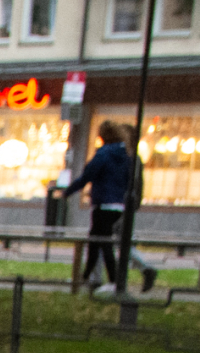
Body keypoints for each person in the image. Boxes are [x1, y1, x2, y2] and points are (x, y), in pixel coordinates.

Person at [61, 122, 158, 296]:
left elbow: (88, 175)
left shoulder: (108, 154)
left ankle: (111, 280)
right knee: (99, 241)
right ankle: (89, 277)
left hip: (106, 204)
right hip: (120, 205)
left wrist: (68, 191)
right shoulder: (128, 157)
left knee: (104, 242)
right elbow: (132, 182)